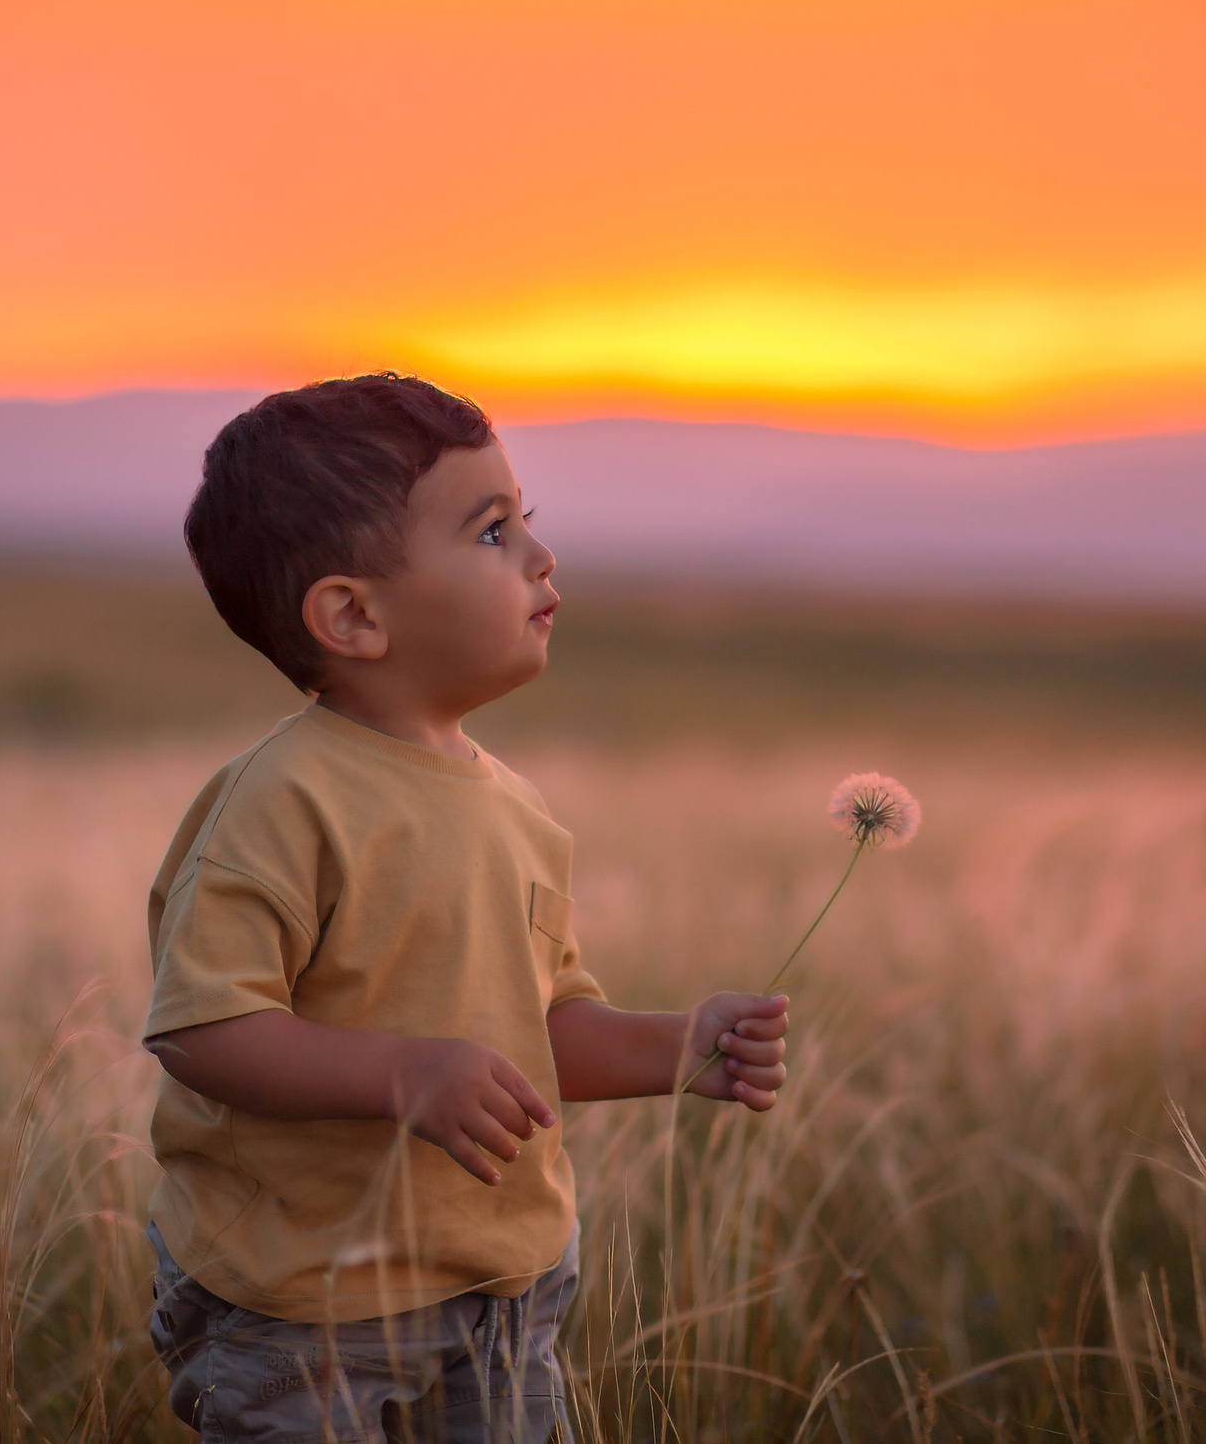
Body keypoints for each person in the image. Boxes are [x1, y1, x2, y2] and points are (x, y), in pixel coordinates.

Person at [142, 372, 790, 1443]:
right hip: (303, 1306)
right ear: (352, 614)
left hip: (499, 1289)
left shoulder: (520, 811)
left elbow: (538, 1040)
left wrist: (680, 1048)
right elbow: (204, 1027)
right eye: (492, 532)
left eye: (528, 521)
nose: (540, 557)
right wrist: (404, 1075)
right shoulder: (282, 799)